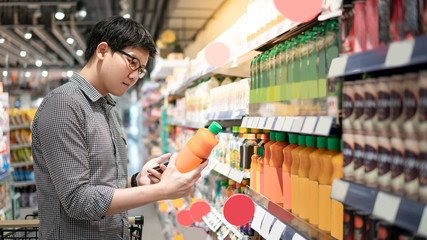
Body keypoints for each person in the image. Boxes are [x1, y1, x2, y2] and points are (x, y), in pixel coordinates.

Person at [32, 16, 208, 239]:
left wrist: (136, 182)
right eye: (132, 62)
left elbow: (100, 184)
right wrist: (161, 191)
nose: (135, 75)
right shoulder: (63, 105)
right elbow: (78, 201)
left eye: (141, 69)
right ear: (103, 51)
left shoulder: (109, 109)